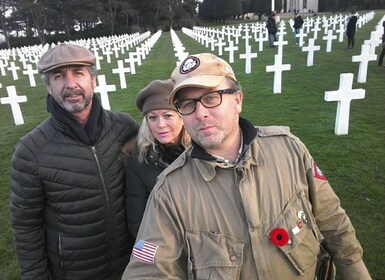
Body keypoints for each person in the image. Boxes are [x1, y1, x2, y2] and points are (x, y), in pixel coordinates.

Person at [121, 53, 372, 279]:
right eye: (188, 105)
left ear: (238, 100)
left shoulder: (289, 150)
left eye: (211, 97)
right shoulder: (169, 191)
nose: (200, 114)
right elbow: (147, 270)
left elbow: (332, 220)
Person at [10, 44, 139, 279]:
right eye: (59, 76)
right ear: (49, 87)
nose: (70, 84)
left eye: (78, 73)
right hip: (76, 272)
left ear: (93, 80)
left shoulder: (124, 128)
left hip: (131, 265)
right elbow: (26, 227)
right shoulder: (31, 151)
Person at [124, 79, 190, 237]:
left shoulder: (202, 151)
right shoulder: (139, 161)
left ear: (182, 117)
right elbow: (138, 221)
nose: (160, 124)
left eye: (168, 115)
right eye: (152, 117)